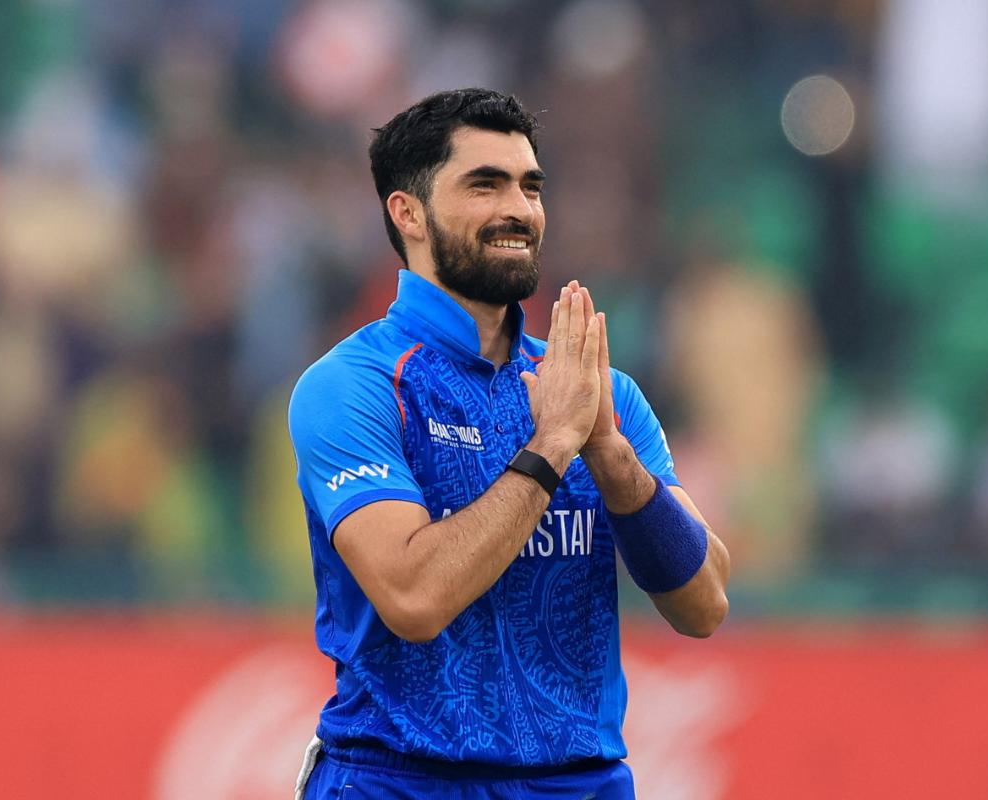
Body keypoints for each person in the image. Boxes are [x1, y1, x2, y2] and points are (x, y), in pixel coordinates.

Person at [287, 88, 731, 800]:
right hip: (401, 782)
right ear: (408, 214)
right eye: (484, 185)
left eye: (530, 186)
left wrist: (611, 457)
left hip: (580, 784)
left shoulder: (596, 392)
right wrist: (552, 446)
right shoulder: (353, 385)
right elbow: (415, 596)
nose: (519, 209)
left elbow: (704, 603)